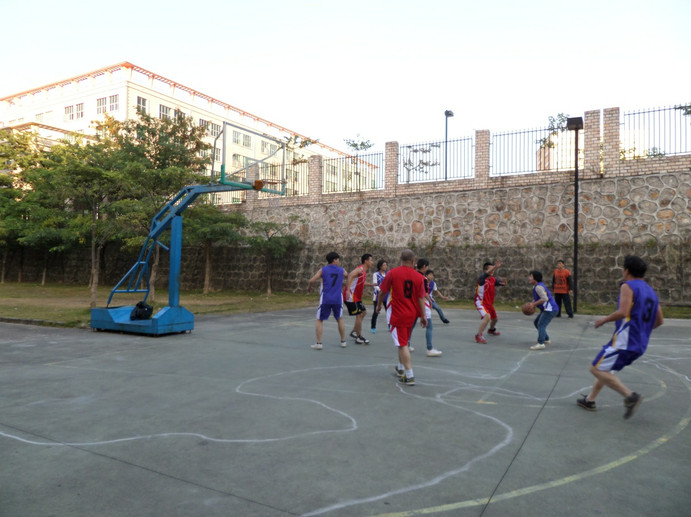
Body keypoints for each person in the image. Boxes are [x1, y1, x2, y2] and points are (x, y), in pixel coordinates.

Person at [577, 255, 663, 418]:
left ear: (626, 270)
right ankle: (590, 400)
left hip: (625, 341)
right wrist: (642, 330)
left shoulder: (627, 286)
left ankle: (630, 396)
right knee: (605, 369)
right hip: (640, 343)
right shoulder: (651, 292)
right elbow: (659, 320)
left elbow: (623, 312)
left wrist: (604, 320)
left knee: (596, 368)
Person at [375, 249, 428, 386]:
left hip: (398, 313)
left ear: (400, 258)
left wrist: (379, 305)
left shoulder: (392, 273)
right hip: (411, 314)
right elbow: (421, 298)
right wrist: (423, 315)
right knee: (403, 341)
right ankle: (400, 367)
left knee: (402, 345)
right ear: (413, 261)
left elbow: (382, 292)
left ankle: (409, 375)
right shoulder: (419, 277)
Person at [307, 251, 347, 350]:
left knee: (320, 320)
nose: (339, 261)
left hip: (326, 298)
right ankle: (343, 341)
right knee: (339, 319)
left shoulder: (323, 270)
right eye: (338, 259)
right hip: (338, 298)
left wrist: (310, 287)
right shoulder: (342, 270)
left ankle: (319, 343)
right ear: (334, 260)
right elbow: (349, 276)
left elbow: (312, 280)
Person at [413, 259, 442, 357]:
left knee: (412, 324)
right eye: (427, 266)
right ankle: (430, 348)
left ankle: (407, 344)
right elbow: (424, 293)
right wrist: (429, 301)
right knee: (429, 326)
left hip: (413, 303)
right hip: (422, 303)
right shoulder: (423, 278)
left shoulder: (413, 275)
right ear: (424, 266)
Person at [474, 260, 507, 344]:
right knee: (487, 317)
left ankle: (491, 330)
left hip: (489, 303)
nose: (493, 271)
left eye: (493, 269)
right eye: (491, 269)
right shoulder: (481, 279)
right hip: (481, 302)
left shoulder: (493, 279)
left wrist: (503, 283)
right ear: (485, 270)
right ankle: (478, 335)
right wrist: (495, 266)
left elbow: (500, 282)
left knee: (495, 319)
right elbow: (485, 275)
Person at [344, 253, 373, 344]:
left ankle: (354, 331)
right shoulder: (359, 269)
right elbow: (350, 275)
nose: (372, 262)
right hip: (351, 296)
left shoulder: (363, 271)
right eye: (371, 260)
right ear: (366, 261)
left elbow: (359, 282)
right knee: (359, 315)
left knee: (363, 312)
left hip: (356, 297)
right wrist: (348, 290)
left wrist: (371, 284)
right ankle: (359, 337)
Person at [527, 270, 558, 350]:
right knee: (536, 322)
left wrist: (533, 304)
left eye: (531, 276)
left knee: (541, 324)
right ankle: (546, 339)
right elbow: (537, 298)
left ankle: (541, 343)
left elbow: (544, 298)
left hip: (550, 309)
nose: (529, 278)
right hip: (547, 309)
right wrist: (532, 303)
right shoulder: (536, 286)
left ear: (535, 278)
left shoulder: (538, 287)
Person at [370, 259, 388, 334]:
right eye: (384, 265)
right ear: (380, 266)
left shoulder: (388, 274)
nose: (385, 266)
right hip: (377, 295)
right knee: (376, 312)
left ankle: (390, 326)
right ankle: (373, 327)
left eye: (386, 265)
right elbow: (375, 285)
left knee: (389, 311)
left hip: (387, 296)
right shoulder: (376, 274)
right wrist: (381, 290)